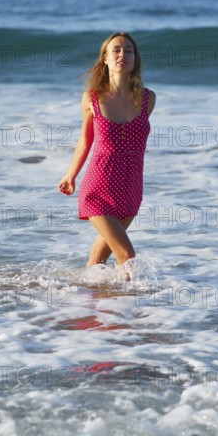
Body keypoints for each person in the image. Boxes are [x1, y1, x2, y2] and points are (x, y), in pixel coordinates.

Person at [57, 31, 156, 279]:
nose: (123, 54)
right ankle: (131, 312)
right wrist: (71, 176)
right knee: (127, 256)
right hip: (99, 186)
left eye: (129, 50)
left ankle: (91, 305)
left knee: (98, 261)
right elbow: (85, 140)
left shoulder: (147, 99)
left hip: (131, 187)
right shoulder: (92, 98)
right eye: (116, 50)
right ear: (105, 58)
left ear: (136, 59)